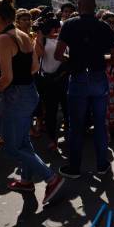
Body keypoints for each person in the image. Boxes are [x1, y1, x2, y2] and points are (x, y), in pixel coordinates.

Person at [0, 0, 64, 203]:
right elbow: (33, 68)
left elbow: (7, 77)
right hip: (29, 92)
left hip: (14, 96)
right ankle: (27, 180)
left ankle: (51, 178)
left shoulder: (3, 39)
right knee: (23, 141)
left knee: (11, 146)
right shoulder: (23, 35)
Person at [56, 0, 114, 178]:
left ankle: (74, 168)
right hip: (98, 78)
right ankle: (102, 164)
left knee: (76, 126)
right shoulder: (104, 26)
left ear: (78, 5)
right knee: (99, 124)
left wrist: (73, 60)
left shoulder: (69, 24)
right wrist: (99, 59)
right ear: (94, 6)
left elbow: (58, 55)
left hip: (78, 78)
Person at [34, 14, 67, 151]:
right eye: (54, 27)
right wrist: (40, 37)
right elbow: (39, 55)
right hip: (48, 80)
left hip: (64, 78)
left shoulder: (64, 39)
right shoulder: (42, 40)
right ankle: (53, 139)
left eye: (58, 27)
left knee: (67, 109)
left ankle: (69, 135)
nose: (57, 29)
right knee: (51, 112)